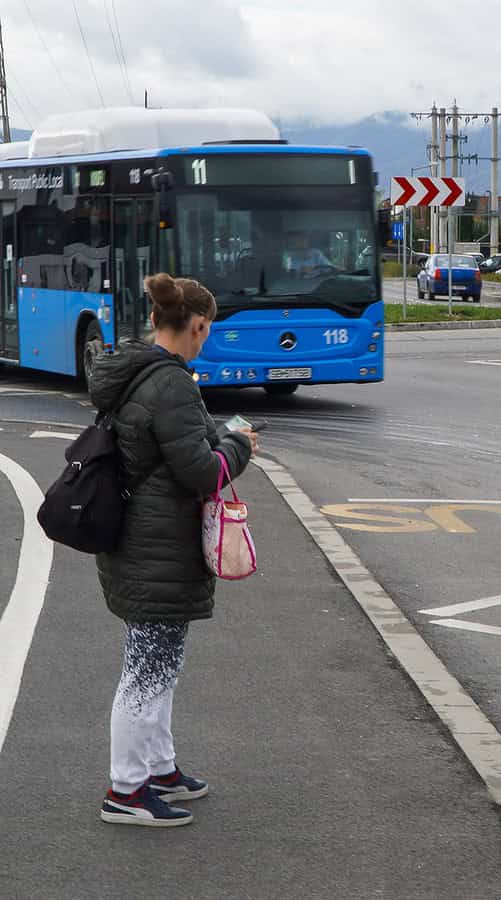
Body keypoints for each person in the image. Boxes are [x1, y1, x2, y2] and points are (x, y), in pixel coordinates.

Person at [89, 273, 259, 827]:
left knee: (159, 664)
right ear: (198, 324)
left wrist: (218, 435)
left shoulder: (144, 369)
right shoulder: (171, 384)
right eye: (208, 330)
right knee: (145, 672)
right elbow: (202, 471)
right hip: (154, 547)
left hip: (141, 542)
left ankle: (159, 768)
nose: (207, 338)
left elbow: (180, 443)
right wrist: (240, 445)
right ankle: (125, 791)